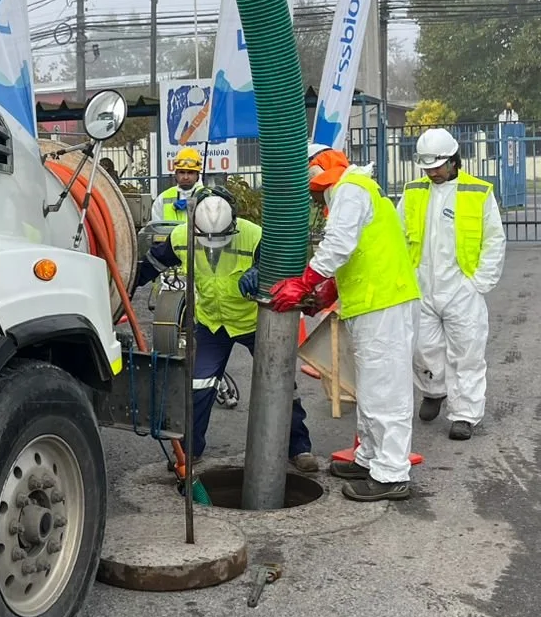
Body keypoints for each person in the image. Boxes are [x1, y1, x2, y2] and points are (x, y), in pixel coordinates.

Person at [269, 148, 420, 502]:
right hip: (373, 302)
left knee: (385, 389)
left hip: (383, 302)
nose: (313, 199)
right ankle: (370, 458)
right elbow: (361, 251)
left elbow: (339, 244)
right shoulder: (358, 190)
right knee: (369, 386)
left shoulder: (350, 190)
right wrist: (328, 291)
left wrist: (304, 283)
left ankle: (392, 473)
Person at [134, 189, 316, 473]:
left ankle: (299, 448)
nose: (213, 245)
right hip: (213, 323)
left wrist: (261, 270)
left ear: (233, 223)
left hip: (255, 322)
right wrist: (123, 286)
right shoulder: (181, 237)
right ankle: (191, 451)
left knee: (281, 384)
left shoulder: (254, 235)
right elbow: (151, 266)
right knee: (199, 386)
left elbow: (285, 266)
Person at [402, 127, 506, 442]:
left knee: (467, 353)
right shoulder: (413, 191)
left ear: (453, 160)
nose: (431, 172)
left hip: (462, 286)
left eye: (437, 166)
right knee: (422, 348)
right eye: (427, 167)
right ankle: (434, 390)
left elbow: (494, 240)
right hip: (422, 283)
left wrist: (479, 283)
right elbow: (397, 233)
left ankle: (464, 415)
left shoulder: (477, 192)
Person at [152, 147, 206, 223]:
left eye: (190, 172)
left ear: (197, 175)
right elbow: (156, 229)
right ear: (176, 174)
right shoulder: (162, 199)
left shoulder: (208, 197)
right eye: (182, 172)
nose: (185, 177)